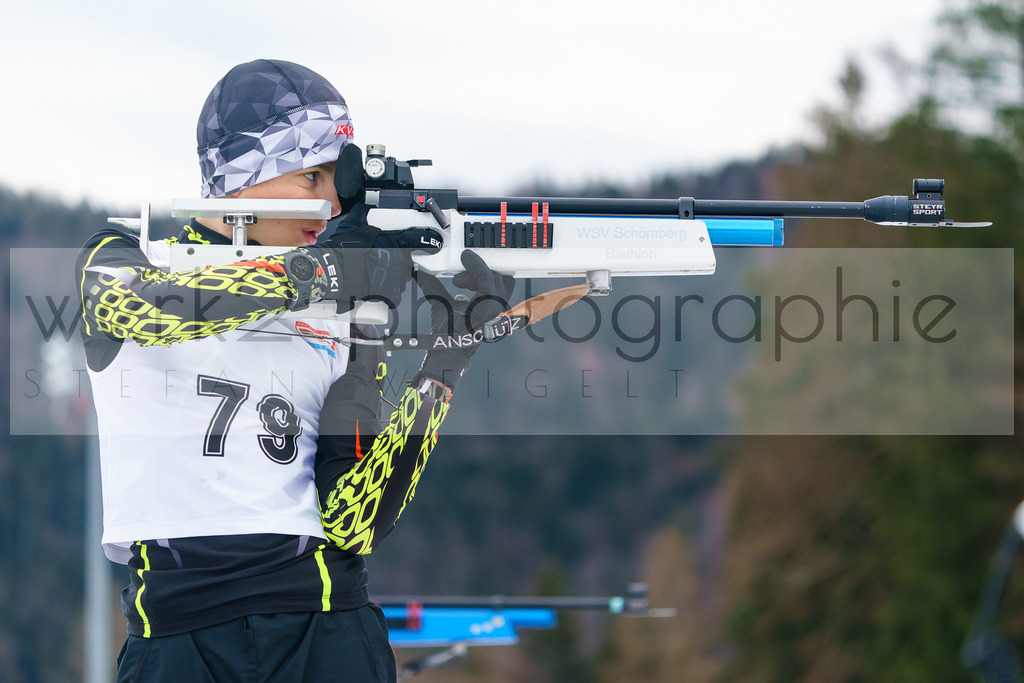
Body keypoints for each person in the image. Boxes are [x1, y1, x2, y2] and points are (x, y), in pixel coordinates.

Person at [76, 59, 514, 682]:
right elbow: (138, 311)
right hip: (179, 632)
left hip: (327, 624)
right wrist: (322, 274)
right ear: (236, 182)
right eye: (310, 177)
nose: (331, 202)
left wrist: (447, 361)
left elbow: (354, 520)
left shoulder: (344, 309)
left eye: (337, 182)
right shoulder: (129, 254)